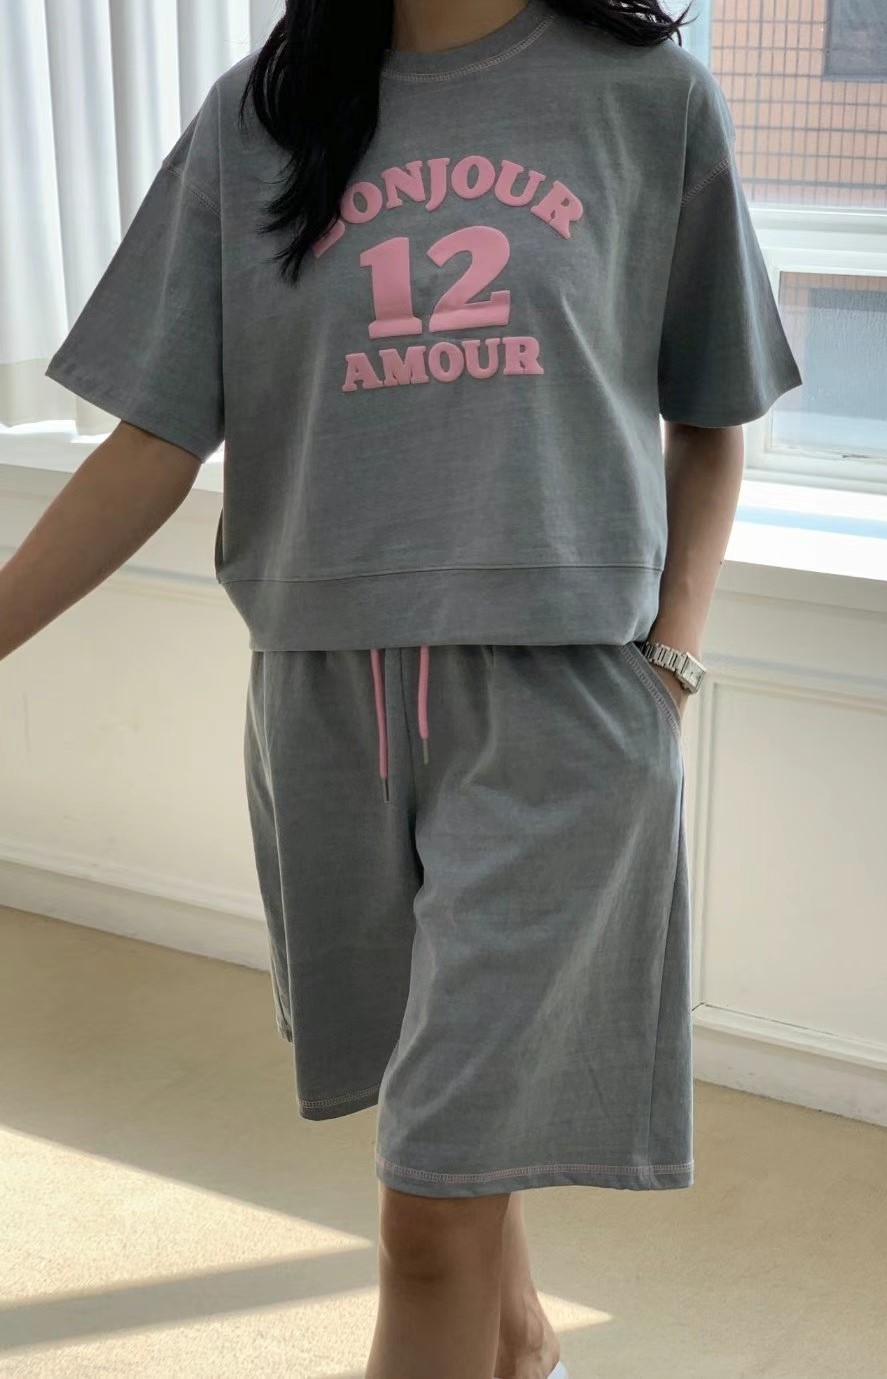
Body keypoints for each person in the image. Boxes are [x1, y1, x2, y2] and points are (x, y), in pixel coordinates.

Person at [0, 1, 802, 1375]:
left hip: (561, 712)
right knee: (441, 1123)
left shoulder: (650, 100)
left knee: (423, 1216)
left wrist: (669, 663)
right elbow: (152, 441)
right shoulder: (258, 114)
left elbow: (713, 418)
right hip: (322, 705)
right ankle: (525, 1353)